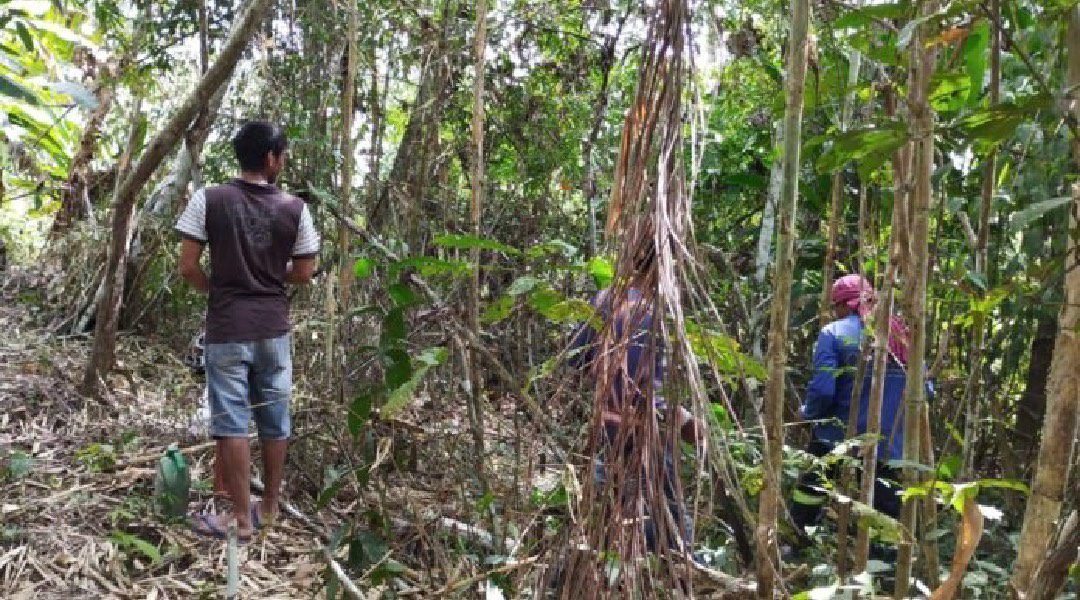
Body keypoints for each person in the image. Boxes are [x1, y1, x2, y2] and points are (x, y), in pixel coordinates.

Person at [175, 121, 319, 541]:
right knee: (275, 420)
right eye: (283, 155)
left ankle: (240, 519)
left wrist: (219, 290)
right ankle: (269, 508)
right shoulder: (295, 209)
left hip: (227, 328)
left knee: (232, 422)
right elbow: (305, 271)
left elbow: (187, 265)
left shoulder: (209, 200)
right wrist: (272, 276)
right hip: (273, 329)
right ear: (271, 158)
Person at [567, 240, 700, 555]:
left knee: (612, 511)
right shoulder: (651, 315)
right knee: (671, 522)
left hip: (606, 426)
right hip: (643, 432)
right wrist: (688, 425)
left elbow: (576, 360)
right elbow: (650, 394)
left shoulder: (603, 300)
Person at [791, 274, 915, 530]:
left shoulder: (833, 333)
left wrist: (808, 413)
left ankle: (798, 540)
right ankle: (885, 563)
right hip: (888, 442)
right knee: (885, 508)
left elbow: (824, 390)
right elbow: (925, 389)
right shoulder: (902, 337)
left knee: (811, 489)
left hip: (838, 434)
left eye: (835, 307)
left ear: (843, 305)